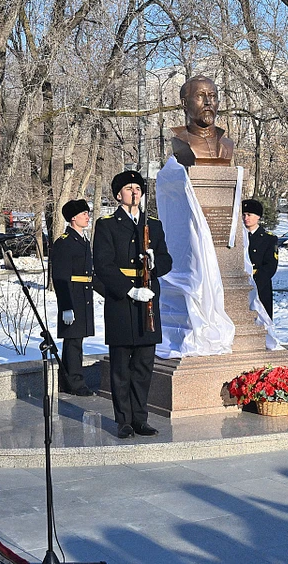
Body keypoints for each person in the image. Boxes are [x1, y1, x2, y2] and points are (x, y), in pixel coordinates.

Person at [93, 170, 173, 439]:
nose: (135, 191)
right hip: (121, 300)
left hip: (148, 299)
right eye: (128, 188)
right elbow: (103, 265)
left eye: (138, 187)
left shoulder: (154, 225)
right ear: (118, 195)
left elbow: (167, 260)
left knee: (143, 365)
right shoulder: (107, 225)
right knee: (121, 367)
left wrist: (154, 262)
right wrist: (129, 290)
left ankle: (140, 417)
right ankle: (123, 420)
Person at [49, 199, 102, 396]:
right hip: (73, 296)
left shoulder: (82, 239)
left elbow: (89, 274)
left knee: (77, 341)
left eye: (87, 213)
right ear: (73, 218)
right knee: (73, 342)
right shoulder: (65, 242)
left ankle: (68, 381)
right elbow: (60, 277)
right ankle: (75, 384)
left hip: (83, 295)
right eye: (83, 214)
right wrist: (66, 306)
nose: (87, 217)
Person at [170, 76, 234, 166]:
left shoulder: (227, 144)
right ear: (185, 103)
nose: (208, 102)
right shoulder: (181, 143)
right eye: (200, 96)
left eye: (212, 96)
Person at [242, 198, 278, 318]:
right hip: (240, 284)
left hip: (260, 286)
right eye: (243, 214)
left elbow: (270, 266)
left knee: (262, 322)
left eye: (249, 214)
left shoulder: (268, 239)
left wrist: (255, 284)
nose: (245, 218)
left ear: (258, 217)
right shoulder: (238, 237)